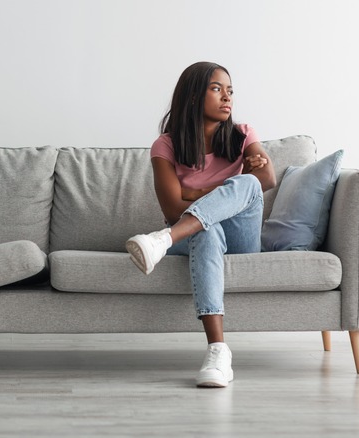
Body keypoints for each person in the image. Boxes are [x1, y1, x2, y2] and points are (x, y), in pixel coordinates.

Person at [125, 62, 276, 388]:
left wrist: (196, 191)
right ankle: (218, 352)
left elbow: (265, 178)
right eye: (217, 89)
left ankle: (161, 241)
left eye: (230, 90)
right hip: (194, 237)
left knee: (247, 185)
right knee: (206, 229)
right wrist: (222, 190)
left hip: (240, 238)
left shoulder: (242, 135)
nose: (227, 98)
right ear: (193, 97)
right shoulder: (166, 145)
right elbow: (171, 205)